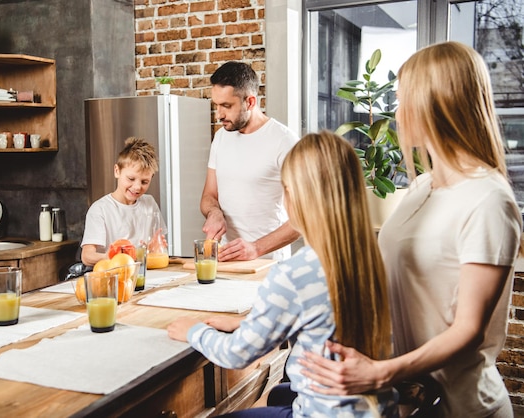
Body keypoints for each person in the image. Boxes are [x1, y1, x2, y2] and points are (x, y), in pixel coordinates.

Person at [299, 41, 523, 418]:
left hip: (464, 408)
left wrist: (378, 372)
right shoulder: (421, 187)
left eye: (404, 101)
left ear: (438, 103)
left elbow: (468, 330)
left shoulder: (487, 200)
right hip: (410, 400)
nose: (397, 115)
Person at [168, 131, 398, 417]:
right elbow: (321, 323)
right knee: (277, 393)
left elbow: (236, 354)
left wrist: (192, 330)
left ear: (297, 197)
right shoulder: (371, 257)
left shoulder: (294, 273)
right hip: (376, 410)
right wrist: (249, 325)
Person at [201, 61, 301, 261]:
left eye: (227, 106)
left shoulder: (285, 142)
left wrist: (256, 248)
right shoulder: (221, 137)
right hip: (226, 259)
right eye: (216, 106)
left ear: (251, 102)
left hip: (268, 264)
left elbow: (306, 216)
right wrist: (214, 212)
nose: (219, 114)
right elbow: (209, 195)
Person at [80, 137, 166, 266]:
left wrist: (154, 248)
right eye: (131, 179)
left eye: (144, 182)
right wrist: (110, 256)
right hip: (113, 277)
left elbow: (154, 250)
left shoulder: (149, 203)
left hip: (144, 275)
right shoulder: (100, 209)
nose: (137, 187)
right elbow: (87, 256)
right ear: (117, 171)